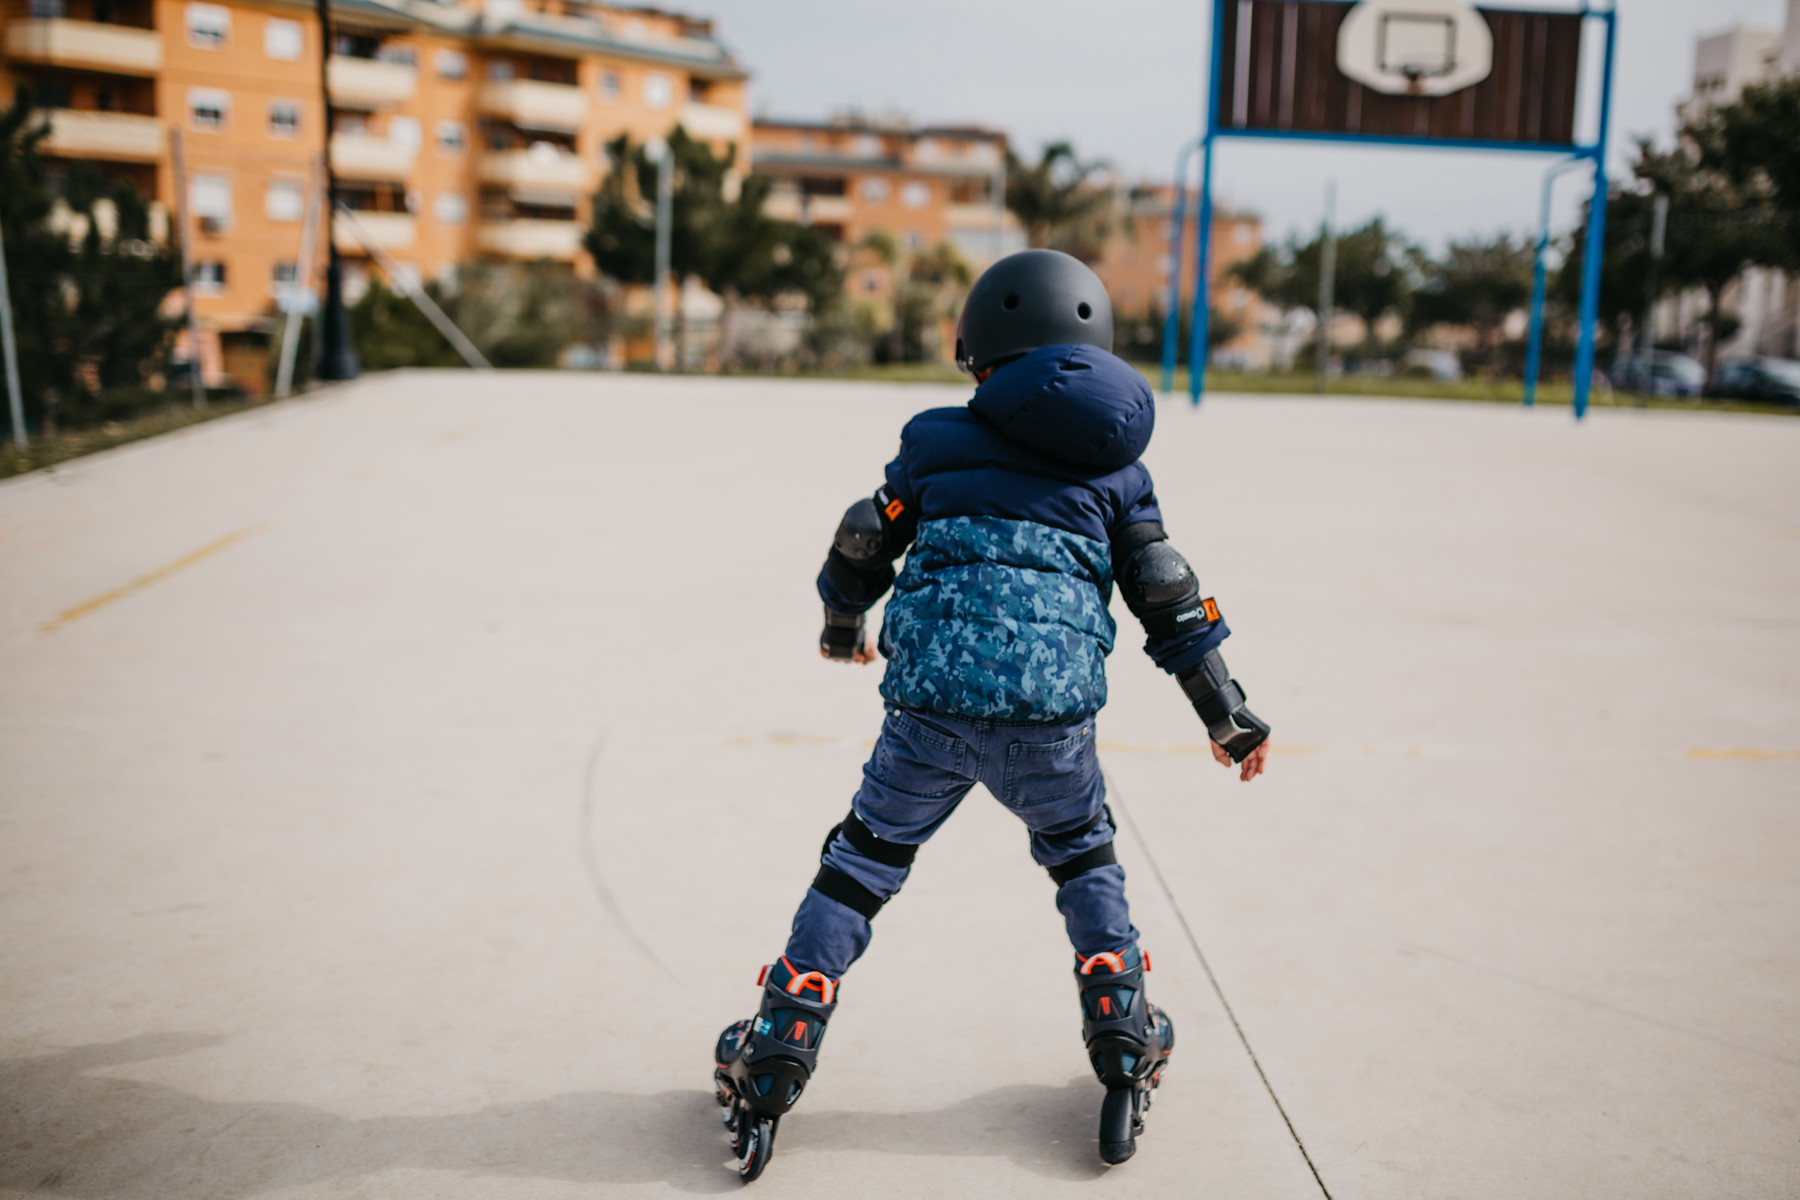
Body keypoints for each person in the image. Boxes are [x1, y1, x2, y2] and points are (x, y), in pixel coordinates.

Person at [713, 249, 1272, 1179]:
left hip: (927, 713)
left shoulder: (935, 439)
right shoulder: (1121, 472)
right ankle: (1123, 1027)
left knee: (862, 866)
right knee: (1083, 856)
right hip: (1053, 725)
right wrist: (1226, 714)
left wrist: (842, 625)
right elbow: (1168, 591)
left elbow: (864, 534)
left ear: (980, 351)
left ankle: (781, 1037)